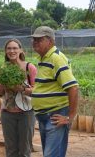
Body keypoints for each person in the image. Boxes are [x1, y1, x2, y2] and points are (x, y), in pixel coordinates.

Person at [30, 26, 79, 157]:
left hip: (55, 115)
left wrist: (70, 117)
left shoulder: (56, 58)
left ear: (50, 41)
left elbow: (73, 87)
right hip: (44, 116)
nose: (35, 42)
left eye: (39, 39)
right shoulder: (44, 58)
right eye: (34, 39)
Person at [0, 39, 37, 157]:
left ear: (20, 50)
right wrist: (3, 85)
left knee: (25, 149)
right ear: (5, 51)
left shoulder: (29, 67)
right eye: (9, 48)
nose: (12, 51)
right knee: (10, 150)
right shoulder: (3, 69)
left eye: (14, 48)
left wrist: (21, 89)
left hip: (26, 113)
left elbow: (37, 91)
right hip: (7, 113)